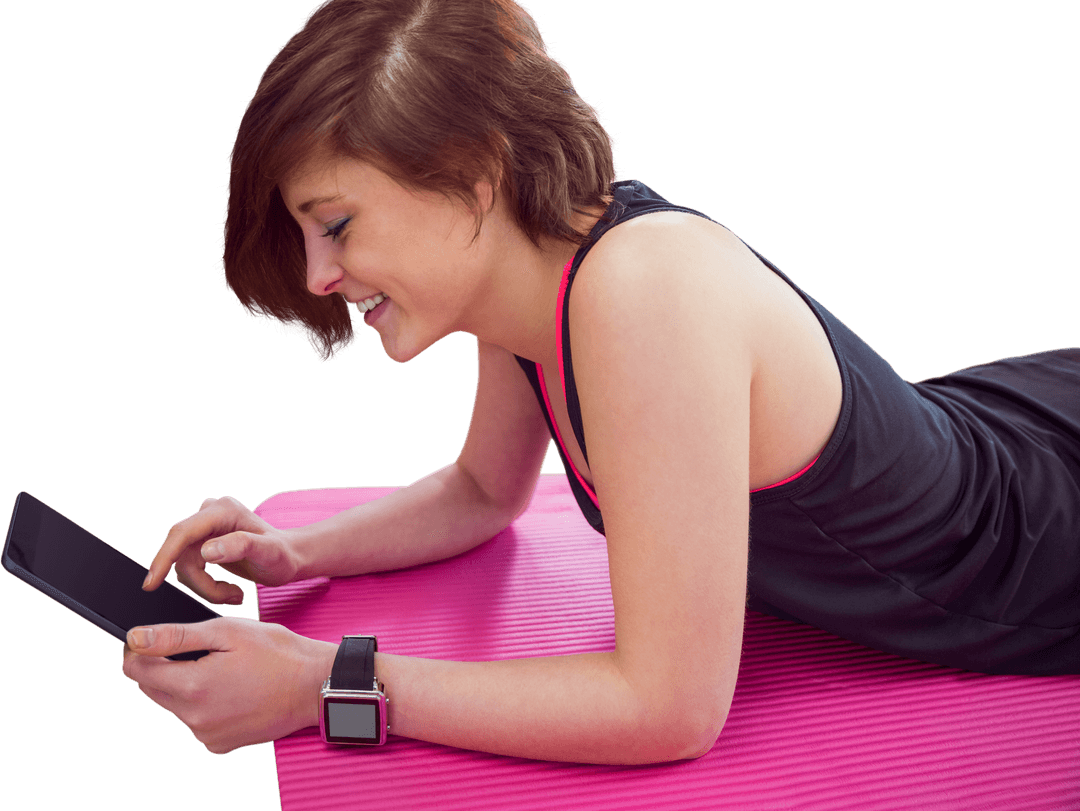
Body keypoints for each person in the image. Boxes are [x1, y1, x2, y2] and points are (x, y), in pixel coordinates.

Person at [122, 0, 1080, 764]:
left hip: (1048, 531)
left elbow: (666, 708)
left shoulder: (641, 291)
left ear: (472, 171)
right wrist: (296, 553)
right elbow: (482, 492)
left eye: (335, 225)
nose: (316, 277)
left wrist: (323, 682)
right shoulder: (540, 295)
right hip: (996, 426)